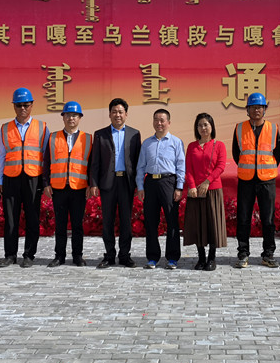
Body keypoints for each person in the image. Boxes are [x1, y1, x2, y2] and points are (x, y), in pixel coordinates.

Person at [0, 87, 50, 268]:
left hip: (33, 178)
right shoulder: (5, 128)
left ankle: (29, 255)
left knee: (32, 218)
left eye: (26, 105)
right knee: (11, 219)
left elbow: (46, 156)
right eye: (19, 105)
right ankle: (10, 255)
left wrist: (45, 181)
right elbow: (1, 155)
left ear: (32, 105)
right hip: (11, 178)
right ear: (14, 106)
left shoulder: (42, 127)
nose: (22, 109)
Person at [89, 98, 142, 268]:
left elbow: (138, 161)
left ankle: (125, 255)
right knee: (108, 221)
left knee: (126, 221)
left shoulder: (134, 134)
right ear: (109, 114)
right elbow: (95, 161)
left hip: (126, 182)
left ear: (126, 114)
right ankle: (109, 255)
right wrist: (94, 183)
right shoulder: (100, 134)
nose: (117, 115)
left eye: (120, 112)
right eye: (114, 111)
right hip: (107, 183)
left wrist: (138, 184)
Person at [232, 93, 280, 268]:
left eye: (259, 107)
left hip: (267, 180)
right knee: (243, 218)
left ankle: (268, 254)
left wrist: (264, 168)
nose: (256, 110)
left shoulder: (273, 128)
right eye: (253, 107)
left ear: (265, 109)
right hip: (246, 180)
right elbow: (236, 154)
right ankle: (243, 253)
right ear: (247, 110)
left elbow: (277, 155)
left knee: (268, 219)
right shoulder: (239, 128)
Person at [43, 101, 92, 267]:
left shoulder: (87, 138)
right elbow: (46, 162)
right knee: (60, 225)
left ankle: (77, 255)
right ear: (63, 117)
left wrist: (91, 184)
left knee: (77, 225)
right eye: (68, 115)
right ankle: (59, 256)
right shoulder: (53, 137)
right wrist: (46, 183)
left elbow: (92, 164)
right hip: (58, 188)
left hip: (79, 188)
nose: (71, 118)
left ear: (80, 118)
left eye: (75, 115)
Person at [136, 109, 186, 269]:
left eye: (162, 120)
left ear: (168, 123)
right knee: (151, 221)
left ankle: (172, 257)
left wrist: (179, 187)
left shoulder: (176, 142)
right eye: (156, 120)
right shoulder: (147, 143)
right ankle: (152, 257)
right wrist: (140, 187)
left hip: (168, 182)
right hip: (150, 182)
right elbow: (140, 167)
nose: (159, 123)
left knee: (172, 221)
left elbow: (181, 166)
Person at [184, 113, 227, 271]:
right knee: (198, 224)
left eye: (206, 125)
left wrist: (207, 181)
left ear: (211, 127)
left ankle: (211, 258)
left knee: (212, 224)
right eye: (200, 125)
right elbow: (188, 168)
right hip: (195, 192)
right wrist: (192, 186)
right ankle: (201, 257)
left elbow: (221, 166)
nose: (203, 128)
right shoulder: (191, 146)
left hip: (213, 190)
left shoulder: (219, 145)